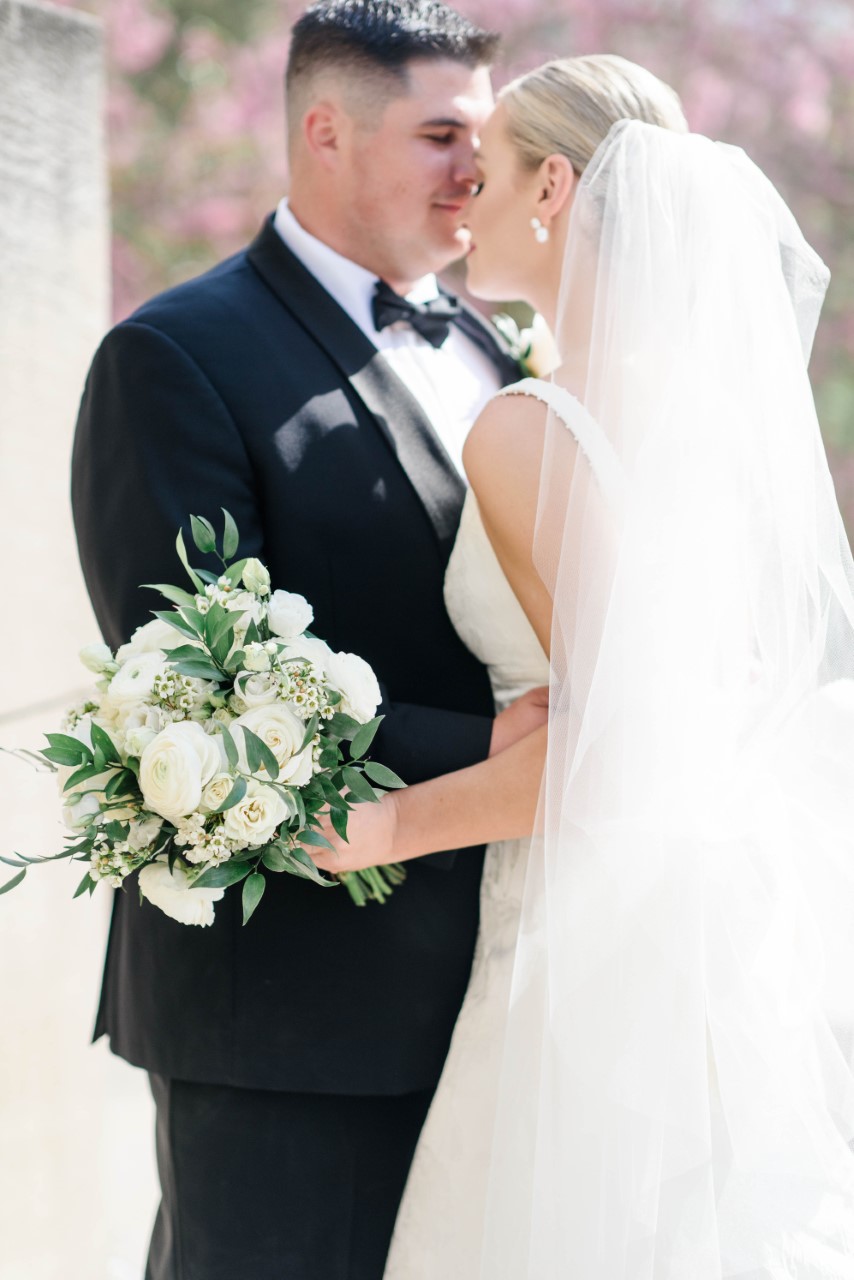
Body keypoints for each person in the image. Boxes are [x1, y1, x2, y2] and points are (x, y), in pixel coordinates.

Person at [314, 55, 854, 1276]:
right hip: (704, 936)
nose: (466, 197)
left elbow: (614, 752)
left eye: (491, 169)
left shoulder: (529, 426)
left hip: (577, 935)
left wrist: (381, 824)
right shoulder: (717, 427)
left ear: (553, 185)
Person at [70, 3, 551, 1277]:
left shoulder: (499, 347)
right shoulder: (172, 354)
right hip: (286, 1007)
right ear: (324, 131)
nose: (476, 172)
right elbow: (185, 679)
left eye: (486, 139)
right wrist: (506, 761)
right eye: (441, 134)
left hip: (494, 988)